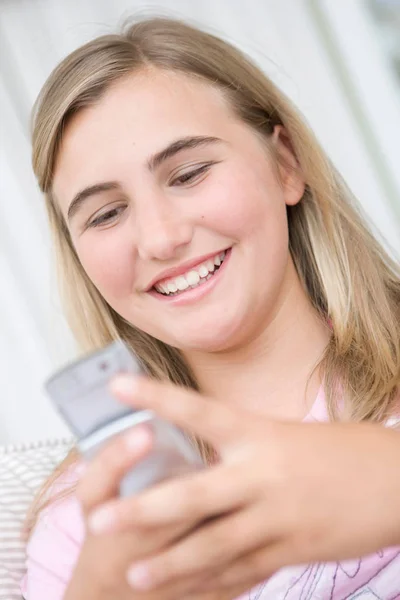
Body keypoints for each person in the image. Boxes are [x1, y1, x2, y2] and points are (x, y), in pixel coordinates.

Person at [22, 15, 400, 600]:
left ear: (285, 164)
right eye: (105, 214)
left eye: (189, 173)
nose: (160, 238)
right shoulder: (86, 533)